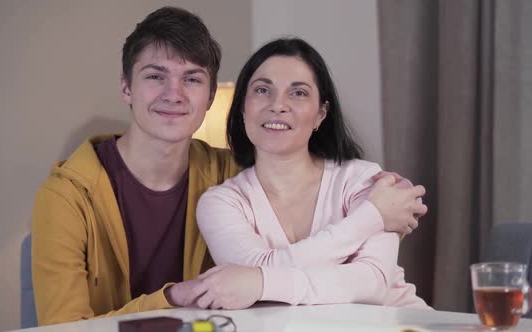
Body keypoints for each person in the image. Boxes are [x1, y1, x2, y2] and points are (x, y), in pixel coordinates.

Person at [32, 7, 424, 325]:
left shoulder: (227, 170)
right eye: (155, 76)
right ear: (126, 88)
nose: (174, 94)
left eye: (192, 79)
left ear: (210, 97)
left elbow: (354, 269)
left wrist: (381, 206)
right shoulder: (67, 196)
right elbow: (64, 328)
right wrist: (170, 297)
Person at [196, 38, 430, 309]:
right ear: (242, 107)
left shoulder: (365, 181)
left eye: (298, 93)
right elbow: (249, 279)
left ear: (321, 114)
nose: (278, 105)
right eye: (262, 90)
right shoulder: (220, 203)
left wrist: (262, 283)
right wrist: (372, 216)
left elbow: (372, 284)